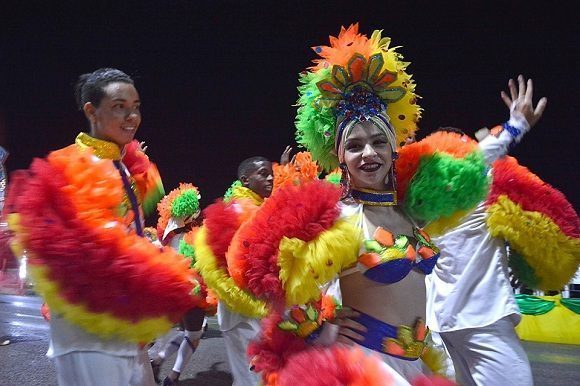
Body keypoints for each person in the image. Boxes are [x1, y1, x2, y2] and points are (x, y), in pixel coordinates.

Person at [5, 68, 199, 386]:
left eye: (135, 106)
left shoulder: (122, 166)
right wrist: (159, 269)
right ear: (91, 111)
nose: (132, 116)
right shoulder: (67, 165)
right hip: (88, 325)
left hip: (121, 319)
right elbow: (87, 248)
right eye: (119, 106)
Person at [425, 77, 579, 386]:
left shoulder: (422, 210)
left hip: (441, 327)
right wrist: (515, 125)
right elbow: (480, 158)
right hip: (482, 322)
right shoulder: (472, 193)